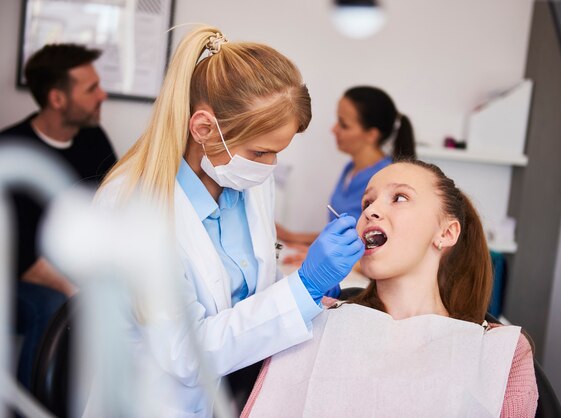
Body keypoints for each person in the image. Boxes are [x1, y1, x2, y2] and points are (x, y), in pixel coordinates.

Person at [93, 25, 364, 416]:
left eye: (276, 153)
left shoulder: (243, 179)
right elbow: (186, 353)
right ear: (203, 129)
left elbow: (248, 300)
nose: (269, 167)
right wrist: (302, 289)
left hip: (237, 394)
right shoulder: (133, 208)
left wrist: (309, 289)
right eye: (259, 153)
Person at [242, 160, 538, 417]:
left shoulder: (500, 351)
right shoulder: (311, 319)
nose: (372, 211)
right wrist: (304, 293)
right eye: (367, 203)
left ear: (446, 233)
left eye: (399, 197)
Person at [0, 43, 116, 392]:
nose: (103, 94)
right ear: (57, 99)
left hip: (69, 268)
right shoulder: (11, 151)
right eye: (91, 88)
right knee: (53, 306)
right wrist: (78, 291)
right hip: (15, 275)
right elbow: (20, 257)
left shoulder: (93, 139)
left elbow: (114, 201)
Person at [276, 86, 416, 261]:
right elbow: (345, 231)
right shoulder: (350, 168)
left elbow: (374, 241)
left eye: (344, 124)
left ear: (371, 134)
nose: (334, 129)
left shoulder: (388, 177)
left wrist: (315, 251)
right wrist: (293, 238)